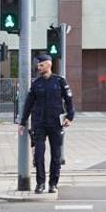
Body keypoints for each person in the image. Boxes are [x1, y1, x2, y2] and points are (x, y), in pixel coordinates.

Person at [19, 54, 75, 194]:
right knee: (39, 155)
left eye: (41, 65)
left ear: (49, 65)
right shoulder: (36, 83)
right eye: (38, 65)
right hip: (39, 123)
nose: (39, 67)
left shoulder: (60, 81)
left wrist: (70, 117)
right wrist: (22, 121)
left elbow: (69, 101)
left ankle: (53, 184)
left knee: (56, 155)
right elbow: (28, 104)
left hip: (56, 123)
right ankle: (40, 183)